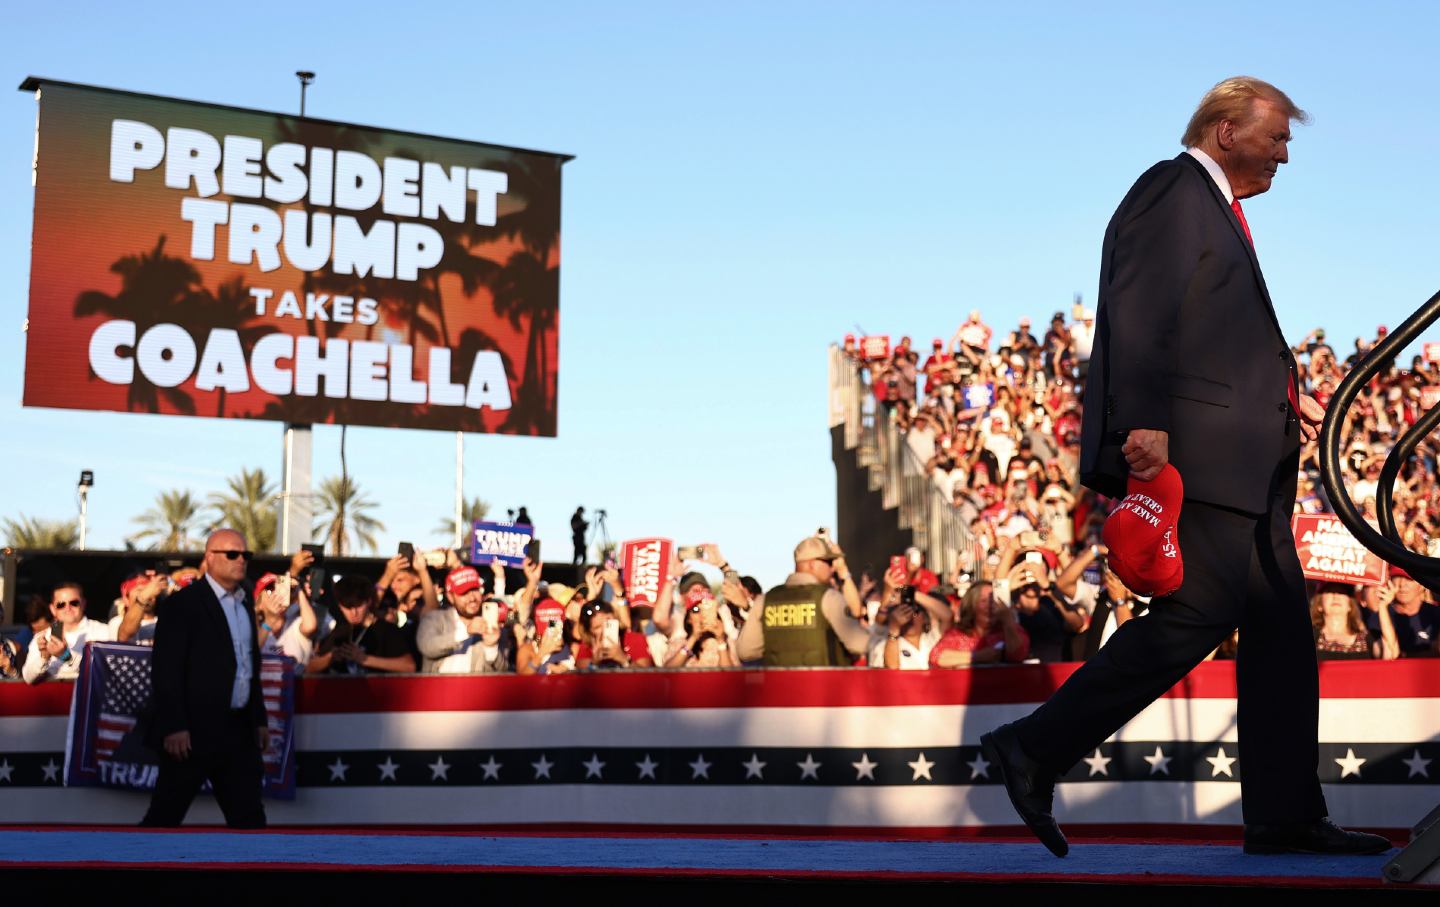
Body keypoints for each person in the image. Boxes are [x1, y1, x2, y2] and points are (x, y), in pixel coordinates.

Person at [981, 77, 1389, 857]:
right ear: (1225, 130)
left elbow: (1215, 333)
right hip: (1202, 460)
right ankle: (1034, 746)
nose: (1285, 154)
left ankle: (1285, 813)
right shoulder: (1172, 188)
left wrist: (1285, 399)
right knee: (1196, 617)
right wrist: (1145, 423)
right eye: (1277, 137)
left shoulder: (1218, 214)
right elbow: (1142, 308)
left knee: (1279, 637)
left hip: (1248, 463)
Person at [141, 529, 267, 828]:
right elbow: (166, 669)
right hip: (192, 733)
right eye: (232, 554)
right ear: (209, 557)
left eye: (245, 555)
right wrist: (174, 725)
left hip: (238, 732)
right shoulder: (182, 603)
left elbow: (248, 666)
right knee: (164, 817)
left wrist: (258, 718)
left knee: (250, 820)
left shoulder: (244, 603)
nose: (241, 560)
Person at [735, 534, 869, 666]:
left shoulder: (765, 600)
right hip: (822, 685)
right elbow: (860, 645)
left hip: (779, 686)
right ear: (812, 564)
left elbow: (745, 651)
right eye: (828, 562)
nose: (832, 568)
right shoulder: (829, 597)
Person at [417, 566, 510, 673]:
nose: (472, 598)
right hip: (438, 688)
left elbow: (502, 671)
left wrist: (491, 647)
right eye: (464, 593)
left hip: (475, 688)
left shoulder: (492, 624)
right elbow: (427, 647)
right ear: (450, 597)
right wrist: (466, 632)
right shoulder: (434, 618)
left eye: (475, 590)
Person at [22, 582, 113, 684]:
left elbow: (106, 672)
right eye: (61, 604)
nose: (68, 608)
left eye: (74, 603)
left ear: (83, 604)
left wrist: (64, 656)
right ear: (52, 609)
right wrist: (44, 658)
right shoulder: (41, 638)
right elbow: (28, 679)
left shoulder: (104, 632)